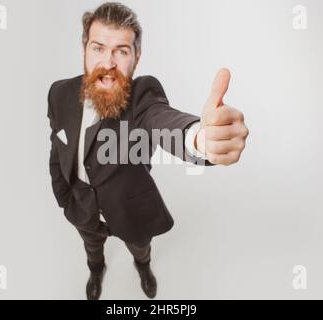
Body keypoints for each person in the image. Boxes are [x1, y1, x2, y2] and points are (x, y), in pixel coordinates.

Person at [47, 2, 249, 300]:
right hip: (81, 208)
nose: (108, 63)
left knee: (141, 248)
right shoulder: (58, 92)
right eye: (98, 48)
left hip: (132, 210)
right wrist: (64, 197)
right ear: (84, 50)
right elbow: (57, 145)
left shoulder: (142, 95)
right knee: (92, 247)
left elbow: (163, 121)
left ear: (136, 58)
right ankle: (96, 269)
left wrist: (200, 139)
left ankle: (143, 268)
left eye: (122, 51)